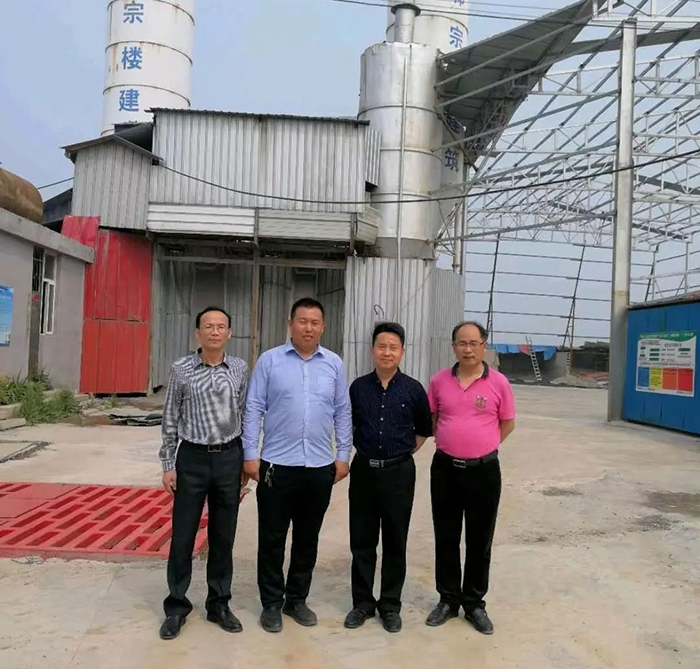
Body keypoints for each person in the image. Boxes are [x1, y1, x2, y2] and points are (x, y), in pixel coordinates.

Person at [242, 297, 352, 633]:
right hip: (276, 466)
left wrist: (343, 455)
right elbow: (253, 407)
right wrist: (250, 453)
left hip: (319, 466)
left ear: (323, 327)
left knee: (307, 538)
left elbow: (342, 411)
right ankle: (271, 604)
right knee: (272, 538)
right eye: (302, 321)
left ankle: (297, 600)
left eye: (315, 322)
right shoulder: (270, 361)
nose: (308, 328)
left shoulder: (333, 364)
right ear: (290, 324)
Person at [158, 306, 249, 641]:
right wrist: (168, 464)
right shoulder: (181, 369)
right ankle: (176, 606)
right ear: (198, 332)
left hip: (228, 458)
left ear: (229, 333)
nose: (214, 331)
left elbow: (245, 414)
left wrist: (246, 460)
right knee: (183, 536)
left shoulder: (239, 369)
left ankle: (218, 604)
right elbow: (170, 417)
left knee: (223, 536)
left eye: (221, 326)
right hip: (192, 459)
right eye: (208, 326)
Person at [425, 321, 515, 635]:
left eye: (474, 343)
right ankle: (448, 599)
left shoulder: (499, 383)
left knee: (480, 539)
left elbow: (507, 423)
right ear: (453, 347)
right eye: (461, 343)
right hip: (445, 469)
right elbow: (433, 419)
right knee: (446, 536)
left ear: (483, 345)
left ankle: (474, 603)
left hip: (484, 472)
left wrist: (482, 446)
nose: (468, 349)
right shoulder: (439, 381)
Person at [344, 322, 432, 633]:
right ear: (372, 350)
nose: (387, 352)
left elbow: (424, 430)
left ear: (402, 352)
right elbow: (349, 426)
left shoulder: (413, 389)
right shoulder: (358, 388)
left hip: (399, 473)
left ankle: (391, 605)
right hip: (364, 471)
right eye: (381, 346)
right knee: (362, 541)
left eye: (393, 347)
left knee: (395, 540)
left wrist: (399, 455)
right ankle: (362, 603)